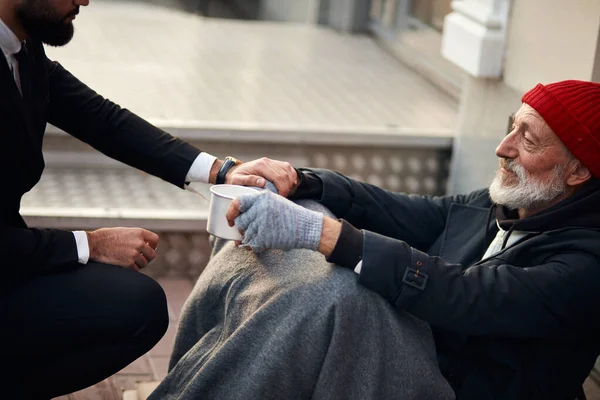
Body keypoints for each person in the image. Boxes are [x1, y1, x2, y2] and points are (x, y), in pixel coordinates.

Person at [154, 80, 600, 399]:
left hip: (455, 386)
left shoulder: (588, 265)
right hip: (425, 353)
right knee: (284, 215)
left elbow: (467, 295)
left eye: (529, 139)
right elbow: (401, 211)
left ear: (578, 171)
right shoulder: (505, 204)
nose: (504, 147)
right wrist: (301, 183)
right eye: (512, 126)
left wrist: (322, 236)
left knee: (339, 295)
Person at [0, 0, 298, 397]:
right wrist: (89, 243)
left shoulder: (21, 46)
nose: (86, 0)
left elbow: (102, 119)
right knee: (133, 308)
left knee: (136, 305)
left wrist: (220, 171)